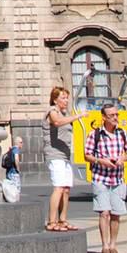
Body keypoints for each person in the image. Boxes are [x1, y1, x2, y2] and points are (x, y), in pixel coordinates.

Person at [83, 102, 127, 253]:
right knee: (104, 212)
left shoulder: (123, 134)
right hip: (101, 178)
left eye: (116, 114)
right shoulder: (95, 134)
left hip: (118, 179)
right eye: (112, 115)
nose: (115, 118)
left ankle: (113, 246)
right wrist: (101, 161)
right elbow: (87, 155)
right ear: (104, 117)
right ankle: (105, 246)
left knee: (116, 214)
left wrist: (122, 158)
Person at [44, 86, 83, 232]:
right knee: (59, 187)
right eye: (63, 98)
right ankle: (51, 221)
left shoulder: (63, 113)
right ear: (55, 99)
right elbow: (57, 123)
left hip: (65, 155)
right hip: (54, 155)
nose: (66, 100)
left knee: (66, 189)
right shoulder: (52, 111)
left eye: (67, 97)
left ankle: (62, 220)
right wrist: (77, 116)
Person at [0, 133, 23, 204]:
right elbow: (16, 159)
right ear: (18, 143)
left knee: (10, 186)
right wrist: (18, 168)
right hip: (14, 172)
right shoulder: (16, 149)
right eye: (21, 142)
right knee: (16, 188)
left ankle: (9, 198)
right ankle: (16, 201)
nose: (22, 144)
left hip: (8, 172)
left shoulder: (11, 149)